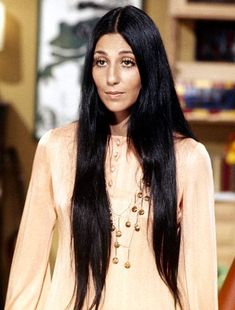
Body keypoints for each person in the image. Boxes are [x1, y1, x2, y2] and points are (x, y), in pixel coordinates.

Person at [5, 5, 218, 310]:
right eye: (101, 62)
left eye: (127, 62)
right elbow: (28, 269)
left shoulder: (188, 158)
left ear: (149, 68)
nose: (111, 77)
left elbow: (198, 283)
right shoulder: (56, 148)